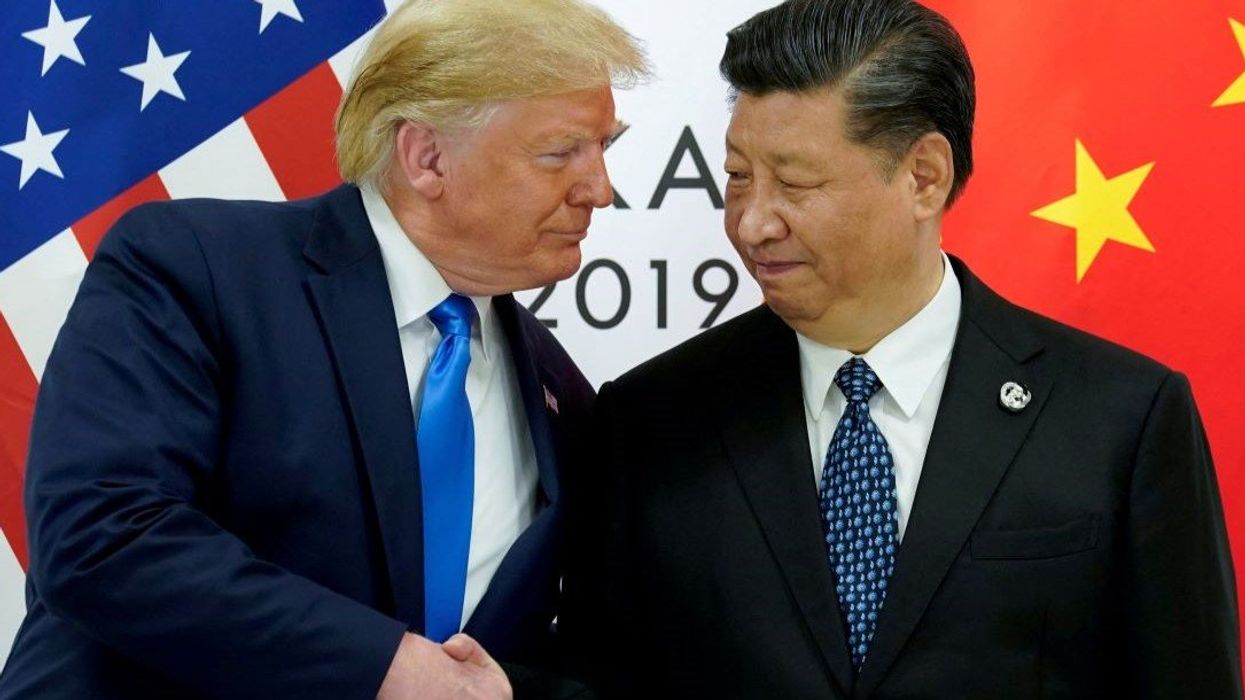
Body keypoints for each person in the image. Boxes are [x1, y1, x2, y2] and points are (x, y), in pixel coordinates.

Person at [561, 0, 1241, 697]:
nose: (753, 222)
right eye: (737, 177)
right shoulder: (652, 422)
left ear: (923, 176)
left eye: (794, 183)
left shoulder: (1120, 417)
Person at [0, 0, 647, 698]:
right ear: (426, 156)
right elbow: (103, 536)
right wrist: (383, 666)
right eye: (560, 154)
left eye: (603, 149)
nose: (600, 191)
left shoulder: (560, 391)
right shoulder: (197, 269)